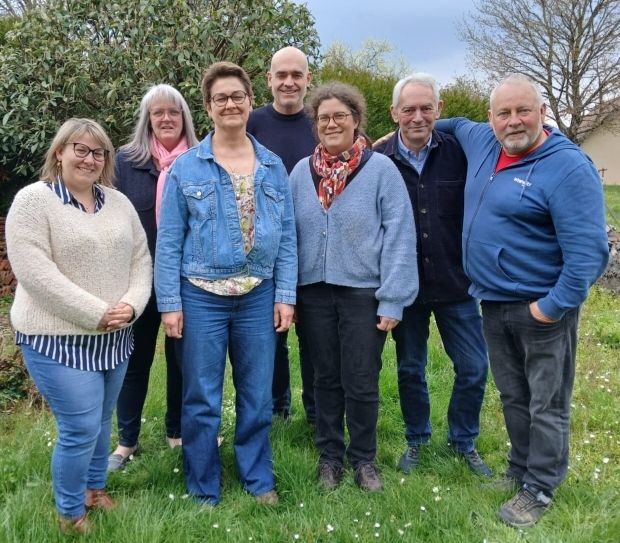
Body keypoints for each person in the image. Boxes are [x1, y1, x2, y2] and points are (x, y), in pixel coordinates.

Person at [437, 74, 609, 527]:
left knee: (545, 402)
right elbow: (449, 122)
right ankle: (520, 468)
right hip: (493, 303)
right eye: (504, 113)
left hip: (542, 307)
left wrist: (550, 307)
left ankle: (541, 487)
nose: (513, 121)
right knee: (514, 395)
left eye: (523, 111)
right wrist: (392, 135)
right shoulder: (482, 140)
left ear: (542, 112)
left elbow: (590, 253)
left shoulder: (567, 167)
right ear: (491, 117)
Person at [154, 61, 297, 506]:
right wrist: (170, 303)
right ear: (209, 107)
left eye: (237, 96)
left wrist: (285, 295)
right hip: (201, 296)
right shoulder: (186, 168)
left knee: (256, 394)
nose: (230, 104)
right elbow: (169, 240)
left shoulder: (272, 165)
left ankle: (258, 477)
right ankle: (203, 485)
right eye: (221, 98)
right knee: (201, 395)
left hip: (258, 294)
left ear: (250, 102)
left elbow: (287, 235)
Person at [6, 118, 152, 534]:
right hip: (56, 338)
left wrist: (131, 305)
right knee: (81, 426)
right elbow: (36, 273)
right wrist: (96, 311)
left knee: (103, 420)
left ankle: (94, 489)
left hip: (114, 336)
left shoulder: (118, 202)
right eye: (80, 149)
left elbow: (141, 260)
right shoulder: (33, 202)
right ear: (60, 152)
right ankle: (70, 514)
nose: (89, 159)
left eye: (98, 152)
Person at [290, 82, 418, 492]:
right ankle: (330, 456)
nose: (331, 124)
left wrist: (393, 298)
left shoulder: (381, 171)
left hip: (363, 293)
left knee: (361, 378)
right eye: (323, 118)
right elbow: (288, 236)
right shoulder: (300, 173)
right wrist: (288, 293)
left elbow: (400, 234)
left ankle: (364, 459)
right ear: (315, 124)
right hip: (313, 292)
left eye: (340, 116)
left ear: (356, 120)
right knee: (325, 377)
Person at [374, 73, 491, 477]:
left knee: (474, 367)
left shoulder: (461, 152)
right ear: (394, 113)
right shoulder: (379, 160)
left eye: (427, 108)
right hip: (406, 287)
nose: (418, 117)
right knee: (411, 369)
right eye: (408, 109)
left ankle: (463, 441)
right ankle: (417, 440)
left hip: (457, 284)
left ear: (439, 109)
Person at [108, 84, 199, 471]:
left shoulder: (200, 160)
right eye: (158, 112)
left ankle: (176, 432)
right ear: (147, 119)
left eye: (173, 112)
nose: (166, 118)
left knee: (182, 360)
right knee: (135, 360)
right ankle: (126, 441)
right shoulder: (125, 162)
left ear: (184, 118)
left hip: (187, 279)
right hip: (139, 280)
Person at [247, 46, 317, 422]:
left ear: (308, 79)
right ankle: (278, 410)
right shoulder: (251, 124)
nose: (289, 82)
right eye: (282, 75)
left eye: (296, 75)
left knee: (314, 339)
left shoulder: (323, 121)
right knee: (270, 339)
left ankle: (316, 411)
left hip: (315, 251)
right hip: (264, 253)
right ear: (269, 79)